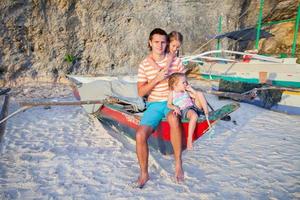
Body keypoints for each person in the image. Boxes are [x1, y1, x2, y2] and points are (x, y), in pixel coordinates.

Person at [136, 28, 185, 188]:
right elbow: (141, 91)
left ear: (167, 43)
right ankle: (144, 174)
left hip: (173, 101)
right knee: (140, 134)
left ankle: (178, 163)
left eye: (163, 42)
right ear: (150, 43)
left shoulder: (176, 62)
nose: (160, 45)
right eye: (156, 42)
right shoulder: (144, 65)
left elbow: (185, 85)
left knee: (173, 117)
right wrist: (156, 79)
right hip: (154, 104)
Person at [167, 73, 210, 150]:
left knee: (199, 93)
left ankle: (206, 113)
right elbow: (169, 104)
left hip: (194, 107)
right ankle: (189, 138)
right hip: (185, 110)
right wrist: (175, 107)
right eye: (183, 82)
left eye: (186, 81)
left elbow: (196, 97)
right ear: (175, 85)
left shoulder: (186, 91)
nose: (186, 83)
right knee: (194, 116)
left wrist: (192, 90)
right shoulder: (172, 93)